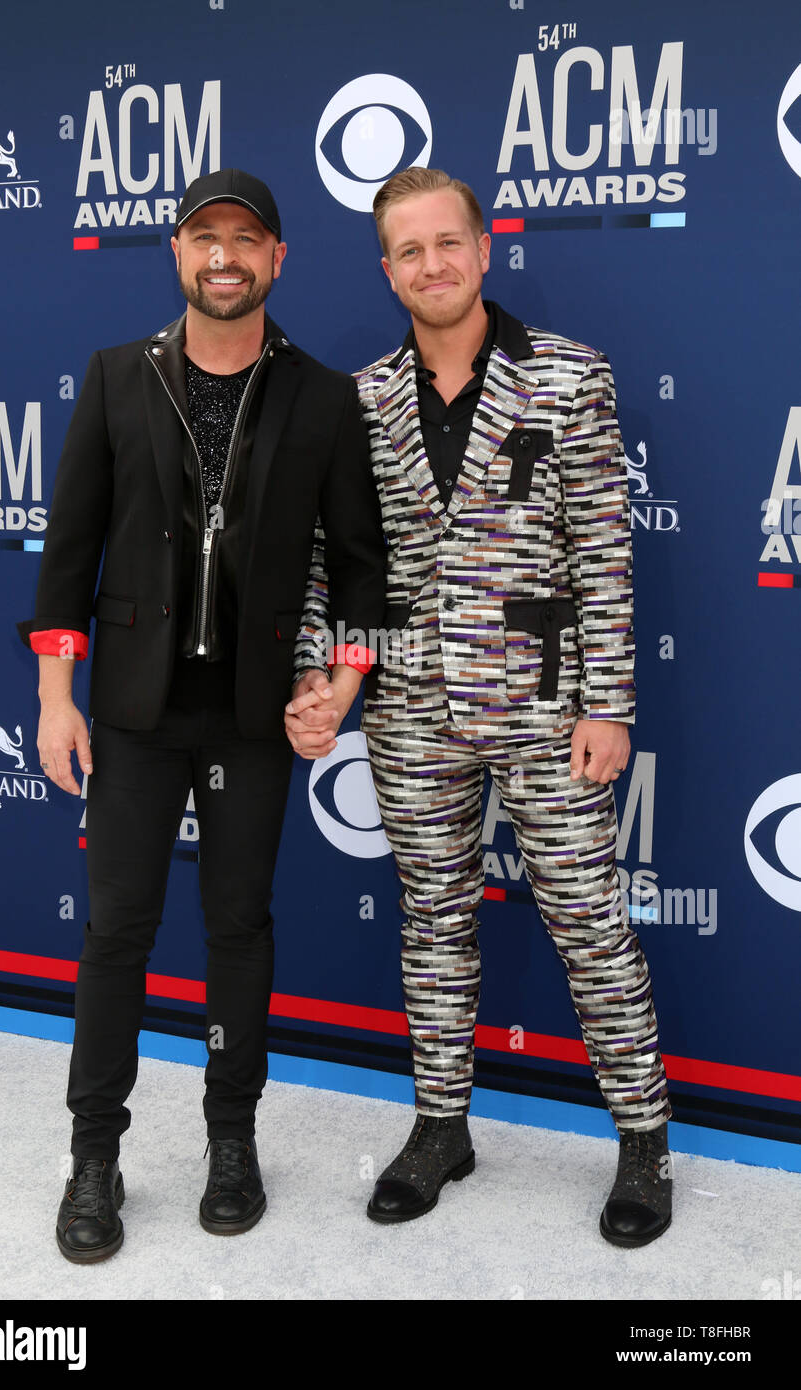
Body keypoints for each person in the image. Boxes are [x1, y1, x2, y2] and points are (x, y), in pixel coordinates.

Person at [286, 167, 673, 1247]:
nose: (430, 264)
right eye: (406, 251)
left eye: (445, 242)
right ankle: (441, 1125)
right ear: (386, 269)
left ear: (483, 244)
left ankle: (642, 1138)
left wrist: (610, 703)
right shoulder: (357, 400)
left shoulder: (567, 376)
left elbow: (601, 553)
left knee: (587, 920)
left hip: (551, 709)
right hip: (408, 707)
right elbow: (335, 563)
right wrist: (323, 675)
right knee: (433, 923)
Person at [18, 168, 385, 1261]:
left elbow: (365, 573)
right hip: (130, 714)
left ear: (277, 260)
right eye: (202, 237)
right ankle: (94, 1152)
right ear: (177, 256)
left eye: (246, 239)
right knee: (116, 930)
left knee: (237, 929)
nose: (223, 256)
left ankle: (233, 1138)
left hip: (251, 719)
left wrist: (340, 688)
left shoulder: (322, 397)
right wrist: (54, 698)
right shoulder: (115, 378)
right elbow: (67, 555)